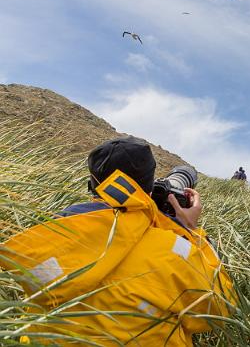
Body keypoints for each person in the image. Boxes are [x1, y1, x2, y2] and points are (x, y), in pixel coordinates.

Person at [0, 136, 237, 346]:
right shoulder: (176, 250)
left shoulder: (47, 238)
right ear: (149, 186)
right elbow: (219, 311)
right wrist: (190, 232)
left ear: (92, 184)